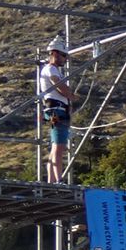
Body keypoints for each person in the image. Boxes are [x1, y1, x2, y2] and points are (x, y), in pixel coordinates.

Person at [37, 36, 78, 184]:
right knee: (59, 147)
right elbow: (58, 84)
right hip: (57, 110)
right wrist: (70, 95)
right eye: (63, 55)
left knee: (56, 146)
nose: (65, 59)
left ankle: (52, 180)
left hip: (56, 110)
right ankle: (58, 180)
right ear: (54, 53)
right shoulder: (51, 69)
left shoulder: (52, 70)